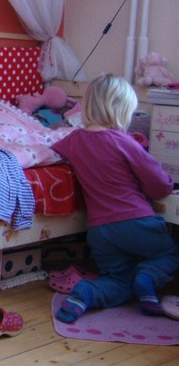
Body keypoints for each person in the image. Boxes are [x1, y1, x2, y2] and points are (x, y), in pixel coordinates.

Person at [51, 74, 179, 323]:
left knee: (117, 280)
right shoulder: (124, 142)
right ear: (121, 110)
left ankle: (87, 293)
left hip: (99, 230)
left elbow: (52, 150)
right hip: (136, 222)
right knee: (168, 255)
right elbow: (159, 184)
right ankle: (148, 278)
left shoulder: (73, 140)